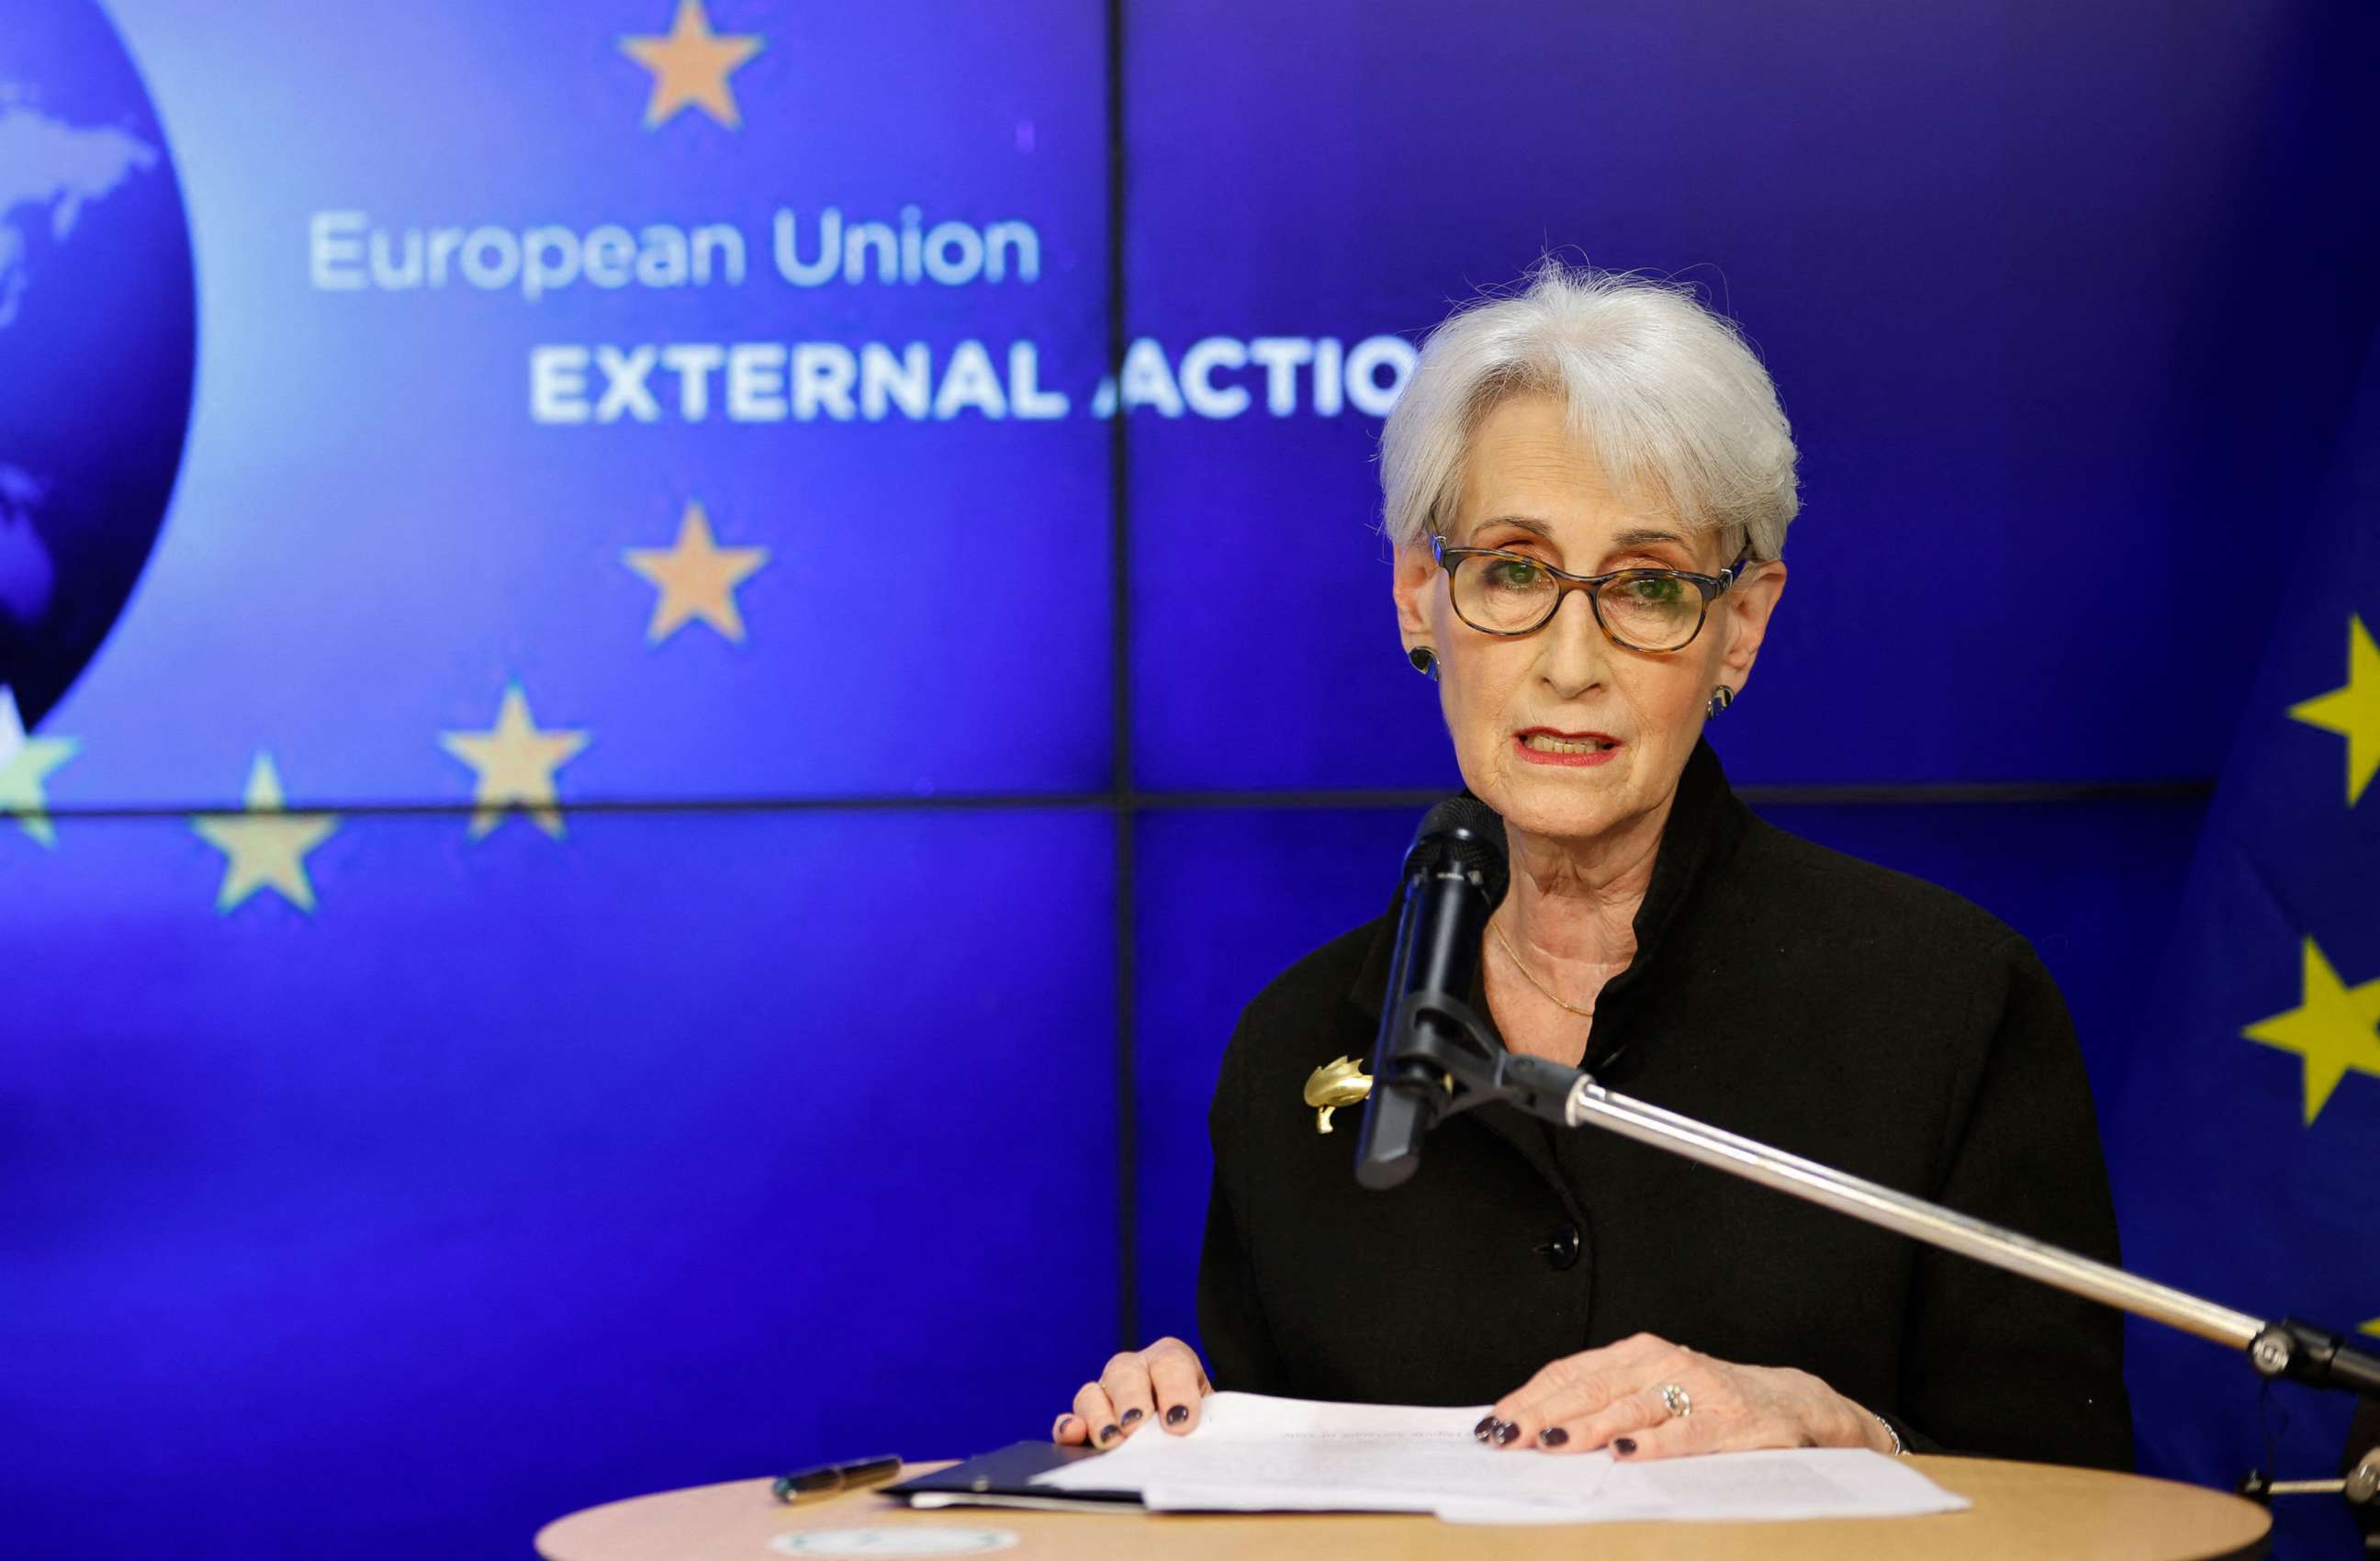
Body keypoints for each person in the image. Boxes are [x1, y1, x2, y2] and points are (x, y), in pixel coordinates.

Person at [1053, 260, 2134, 1470]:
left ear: (1743, 625)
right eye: (1513, 570)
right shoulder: (1291, 1046)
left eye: (1648, 587)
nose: (1573, 661)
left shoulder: (1949, 1006)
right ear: (1422, 597)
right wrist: (1179, 1446)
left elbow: (2083, 1501)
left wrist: (1843, 1433)